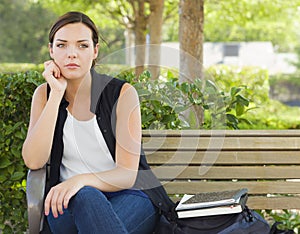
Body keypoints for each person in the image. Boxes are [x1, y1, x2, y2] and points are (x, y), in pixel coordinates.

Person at [22, 11, 173, 234]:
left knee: (89, 197)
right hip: (67, 204)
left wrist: (80, 181)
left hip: (129, 196)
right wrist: (55, 95)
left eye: (82, 46)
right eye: (62, 45)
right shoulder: (44, 95)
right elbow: (34, 160)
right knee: (86, 198)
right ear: (51, 50)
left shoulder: (122, 94)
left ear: (95, 51)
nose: (72, 54)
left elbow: (127, 174)